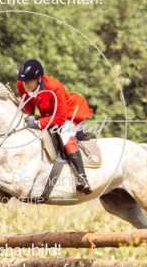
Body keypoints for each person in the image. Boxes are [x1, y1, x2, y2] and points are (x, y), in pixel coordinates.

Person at [16, 58, 94, 194]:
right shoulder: (21, 84)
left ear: (38, 78)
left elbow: (60, 118)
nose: (25, 85)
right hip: (48, 115)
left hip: (69, 114)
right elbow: (29, 108)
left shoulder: (54, 87)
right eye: (24, 82)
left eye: (29, 82)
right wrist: (27, 116)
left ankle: (82, 177)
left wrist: (38, 123)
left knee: (65, 134)